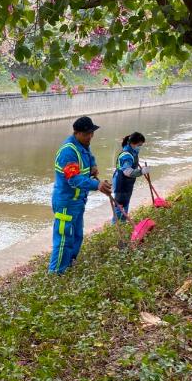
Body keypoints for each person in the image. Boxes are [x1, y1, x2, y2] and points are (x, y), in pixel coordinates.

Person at [49, 116, 112, 274]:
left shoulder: (84, 145)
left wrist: (94, 165)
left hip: (78, 201)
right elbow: (74, 179)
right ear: (76, 133)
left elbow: (89, 156)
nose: (90, 136)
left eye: (91, 133)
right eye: (86, 134)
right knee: (64, 239)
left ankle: (69, 265)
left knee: (77, 235)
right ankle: (56, 273)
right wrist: (96, 185)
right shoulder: (68, 152)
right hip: (66, 203)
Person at [111, 132, 147, 223]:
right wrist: (141, 171)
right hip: (121, 181)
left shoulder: (133, 151)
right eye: (139, 145)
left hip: (128, 181)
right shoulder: (126, 155)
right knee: (120, 204)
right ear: (133, 143)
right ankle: (116, 224)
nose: (140, 147)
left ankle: (123, 221)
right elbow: (127, 172)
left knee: (126, 201)